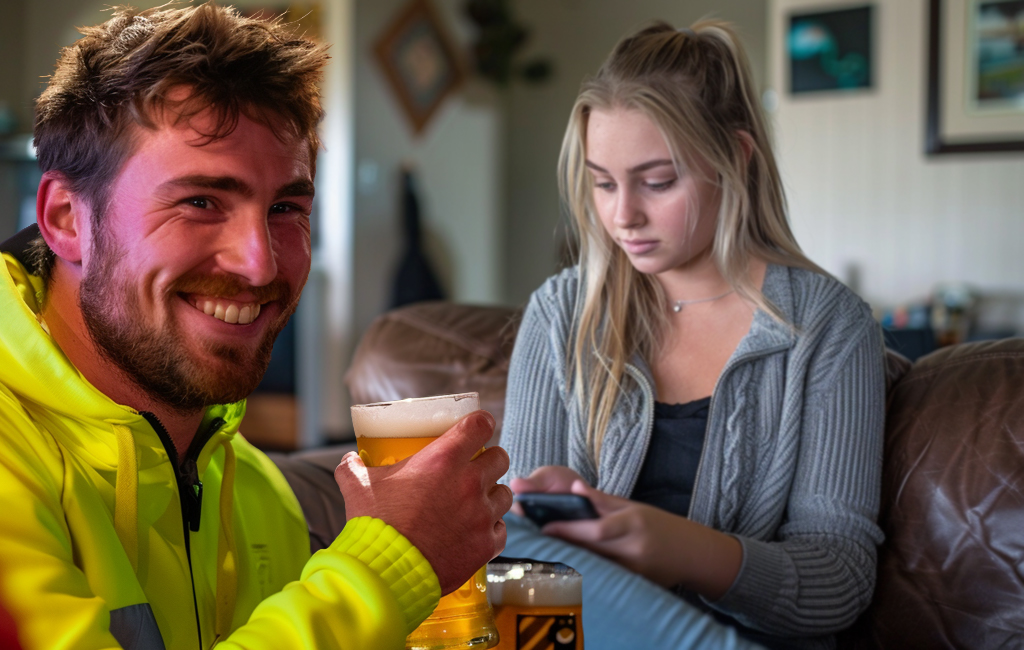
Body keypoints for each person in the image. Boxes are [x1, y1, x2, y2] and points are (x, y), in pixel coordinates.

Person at [0, 4, 512, 649]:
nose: (260, 263)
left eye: (286, 207)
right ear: (67, 219)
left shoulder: (247, 484)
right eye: (201, 201)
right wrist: (386, 569)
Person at [500, 20, 886, 650]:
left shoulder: (827, 327)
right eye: (602, 183)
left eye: (658, 181)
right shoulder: (560, 312)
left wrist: (680, 549)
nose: (623, 215)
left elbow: (838, 582)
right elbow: (511, 556)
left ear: (734, 158)